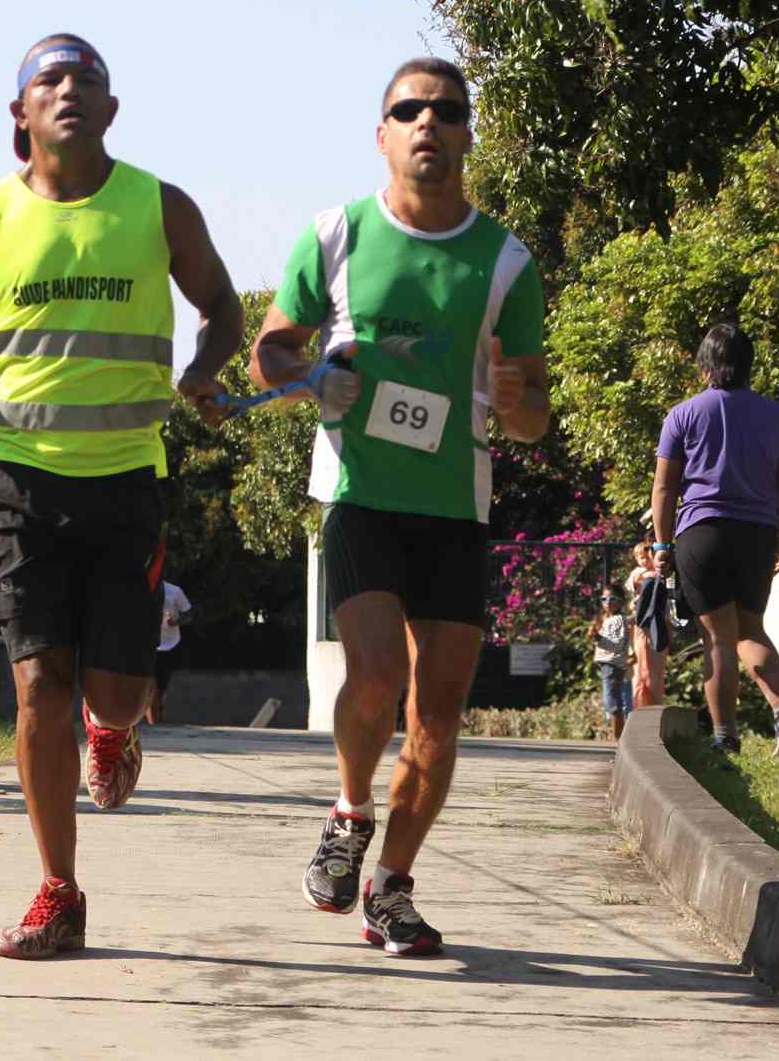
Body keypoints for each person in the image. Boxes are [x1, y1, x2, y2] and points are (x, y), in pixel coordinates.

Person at [0, 35, 242, 959]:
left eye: (89, 81)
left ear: (112, 112)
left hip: (125, 479)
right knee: (39, 679)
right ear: (21, 115)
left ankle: (113, 734)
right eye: (51, 80)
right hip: (16, 479)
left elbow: (222, 307)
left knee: (112, 692)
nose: (70, 91)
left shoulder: (159, 208)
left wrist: (203, 370)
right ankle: (58, 890)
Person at [250, 57, 548, 956]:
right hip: (361, 495)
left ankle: (391, 886)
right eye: (408, 109)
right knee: (374, 673)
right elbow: (270, 350)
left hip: (456, 505)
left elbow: (532, 418)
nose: (428, 122)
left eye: (446, 110)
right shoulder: (335, 234)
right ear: (382, 134)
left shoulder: (505, 262)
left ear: (466, 135)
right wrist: (310, 379)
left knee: (440, 712)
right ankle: (348, 814)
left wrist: (514, 392)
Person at [650, 323, 779, 756]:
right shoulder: (777, 416)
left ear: (705, 366)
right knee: (751, 629)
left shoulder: (683, 414)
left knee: (717, 638)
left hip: (703, 533)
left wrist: (662, 545)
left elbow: (664, 487)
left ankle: (724, 737)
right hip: (757, 533)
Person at [627, 541, 667, 708]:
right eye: (640, 558)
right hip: (643, 625)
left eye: (646, 557)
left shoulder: (657, 574)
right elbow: (636, 581)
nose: (644, 561)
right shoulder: (640, 573)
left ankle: (653, 702)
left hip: (656, 623)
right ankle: (640, 703)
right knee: (641, 668)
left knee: (654, 668)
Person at [589, 582, 631, 740]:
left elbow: (617, 645)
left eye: (612, 598)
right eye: (604, 598)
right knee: (612, 702)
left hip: (612, 664)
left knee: (612, 703)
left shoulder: (618, 620)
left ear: (621, 601)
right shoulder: (610, 619)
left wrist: (598, 638)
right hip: (609, 664)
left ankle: (619, 741)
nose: (607, 602)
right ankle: (618, 740)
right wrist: (595, 637)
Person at [146, 579, 191, 724]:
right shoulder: (141, 589)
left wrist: (176, 621)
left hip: (169, 645)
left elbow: (188, 614)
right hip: (148, 647)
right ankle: (154, 723)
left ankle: (157, 717)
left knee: (160, 689)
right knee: (151, 688)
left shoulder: (174, 591)